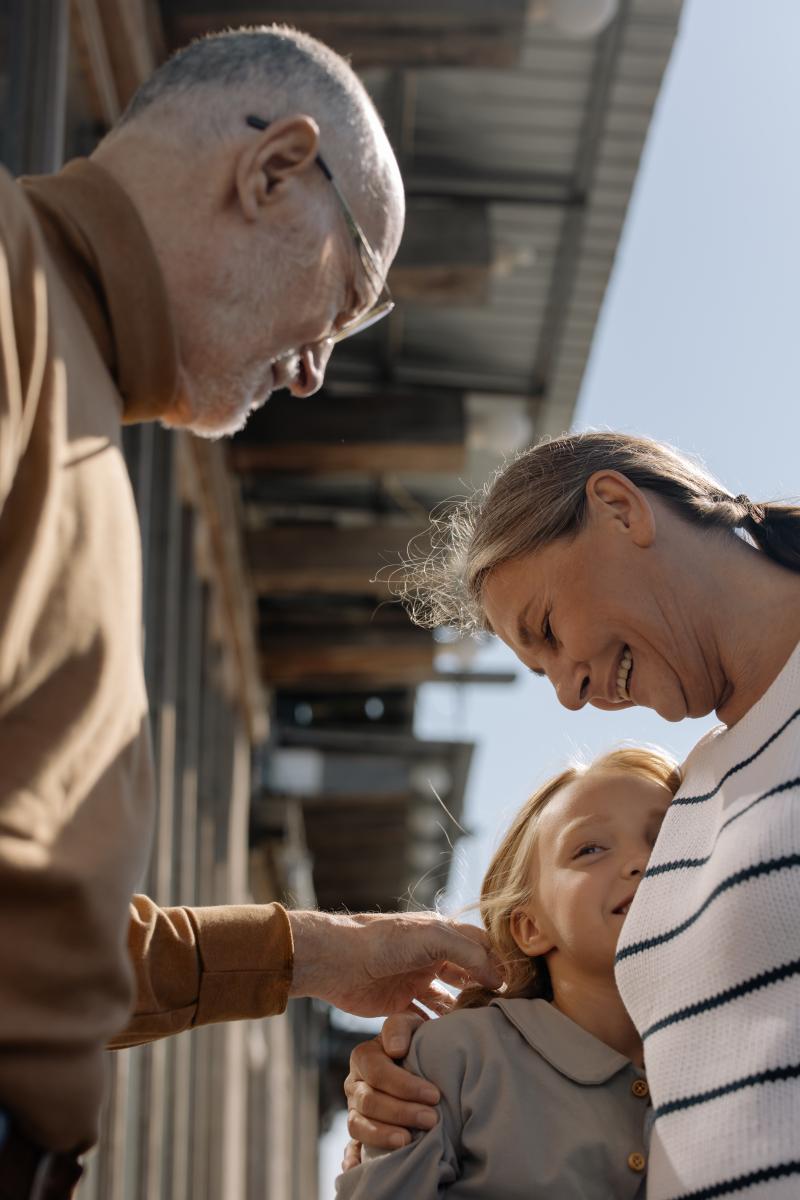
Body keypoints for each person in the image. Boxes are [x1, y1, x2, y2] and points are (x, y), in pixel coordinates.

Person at [0, 25, 499, 1198]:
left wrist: (323, 954)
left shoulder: (78, 404)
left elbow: (38, 941)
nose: (319, 368)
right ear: (274, 170)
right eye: (348, 291)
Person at [343, 431, 800, 1200]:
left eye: (548, 631)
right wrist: (431, 1083)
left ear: (620, 509)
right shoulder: (693, 798)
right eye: (539, 668)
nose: (567, 692)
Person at [336, 746, 680, 1198]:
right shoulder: (452, 1058)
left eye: (667, 838)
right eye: (590, 849)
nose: (642, 861)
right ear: (530, 927)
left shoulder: (739, 1051)